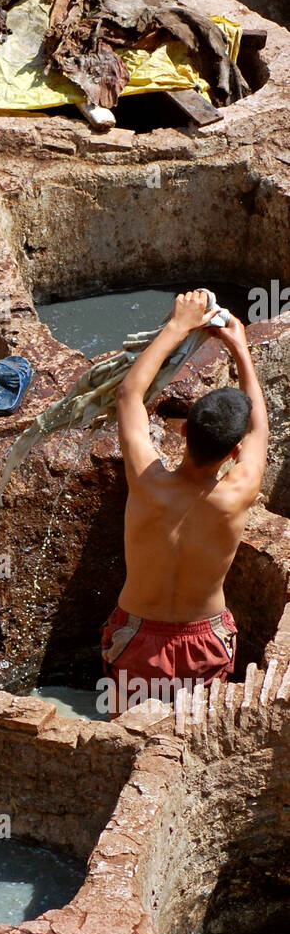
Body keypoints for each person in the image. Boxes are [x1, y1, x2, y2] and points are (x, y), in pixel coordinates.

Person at [101, 289, 268, 714]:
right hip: (205, 637)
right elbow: (260, 431)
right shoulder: (237, 491)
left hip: (137, 634)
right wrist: (239, 349)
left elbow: (128, 396)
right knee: (190, 737)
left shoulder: (147, 480)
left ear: (182, 434)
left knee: (125, 732)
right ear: (234, 453)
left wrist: (179, 325)